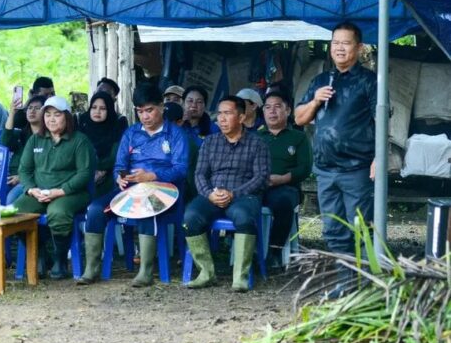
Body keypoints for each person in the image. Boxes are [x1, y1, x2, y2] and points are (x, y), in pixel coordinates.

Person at [79, 84, 188, 287]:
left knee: (147, 210)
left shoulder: (175, 134)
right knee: (95, 209)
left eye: (149, 110)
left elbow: (181, 169)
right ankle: (91, 268)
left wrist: (153, 175)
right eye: (140, 111)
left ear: (161, 107)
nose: (145, 116)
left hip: (165, 192)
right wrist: (120, 177)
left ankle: (145, 271)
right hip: (131, 190)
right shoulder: (131, 133)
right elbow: (120, 165)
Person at [295, 21, 377, 289]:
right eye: (335, 43)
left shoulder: (369, 80)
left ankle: (365, 289)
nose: (339, 48)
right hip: (325, 169)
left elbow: (384, 121)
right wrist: (316, 99)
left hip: (357, 168)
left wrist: (379, 158)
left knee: (361, 230)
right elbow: (299, 118)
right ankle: (345, 286)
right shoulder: (320, 80)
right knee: (333, 230)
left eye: (346, 43)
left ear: (359, 47)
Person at [184, 95, 270, 292]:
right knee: (190, 217)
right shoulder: (210, 142)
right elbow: (199, 174)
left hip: (243, 196)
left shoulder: (257, 144)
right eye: (219, 114)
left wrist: (233, 193)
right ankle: (206, 273)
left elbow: (261, 178)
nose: (221, 119)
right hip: (213, 195)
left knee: (243, 217)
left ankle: (240, 277)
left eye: (228, 113)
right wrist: (208, 194)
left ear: (241, 117)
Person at [13, 96, 96, 279]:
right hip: (39, 193)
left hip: (71, 193)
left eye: (57, 115)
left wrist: (60, 191)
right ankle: (40, 255)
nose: (51, 119)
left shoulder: (79, 141)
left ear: (67, 117)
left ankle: (59, 261)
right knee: (17, 212)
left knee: (57, 212)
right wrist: (31, 189)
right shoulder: (36, 140)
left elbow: (85, 173)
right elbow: (24, 170)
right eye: (47, 114)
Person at [258, 92, 312, 262]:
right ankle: (249, 250)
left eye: (277, 107)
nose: (272, 111)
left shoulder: (299, 137)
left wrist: (282, 179)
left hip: (286, 187)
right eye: (267, 107)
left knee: (283, 203)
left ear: (288, 111)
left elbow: (305, 168)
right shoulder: (255, 137)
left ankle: (274, 251)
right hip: (257, 186)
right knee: (240, 201)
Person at [76, 91, 126, 198]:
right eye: (94, 107)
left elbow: (115, 157)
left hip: (109, 175)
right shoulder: (82, 125)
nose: (97, 111)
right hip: (83, 174)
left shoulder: (116, 127)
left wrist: (101, 170)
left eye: (103, 108)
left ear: (109, 110)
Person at [1, 94, 47, 204]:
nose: (32, 111)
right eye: (29, 108)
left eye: (37, 108)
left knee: (10, 200)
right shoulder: (21, 135)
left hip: (31, 181)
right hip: (11, 179)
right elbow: (5, 142)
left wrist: (21, 178)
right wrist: (12, 113)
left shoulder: (48, 137)